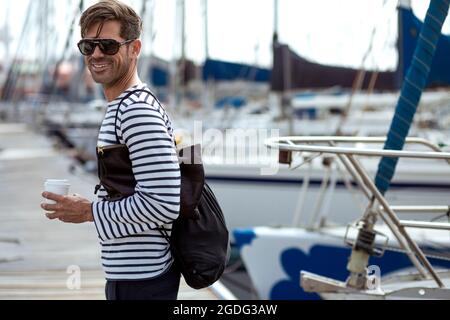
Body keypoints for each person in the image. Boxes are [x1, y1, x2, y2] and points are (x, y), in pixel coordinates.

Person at [41, 0, 181, 300]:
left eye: (108, 45)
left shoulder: (136, 111)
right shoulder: (123, 106)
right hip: (133, 275)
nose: (97, 55)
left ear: (135, 48)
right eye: (88, 46)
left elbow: (164, 203)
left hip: (143, 280)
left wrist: (89, 211)